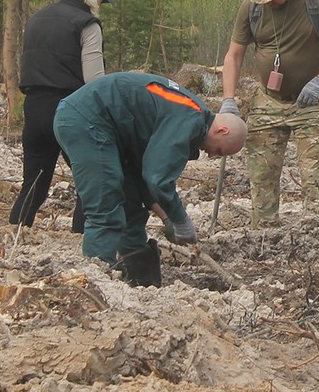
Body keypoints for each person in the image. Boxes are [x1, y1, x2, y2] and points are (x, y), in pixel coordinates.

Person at [52, 72, 246, 287]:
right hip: (87, 121)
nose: (213, 155)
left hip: (100, 125)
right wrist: (180, 219)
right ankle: (94, 282)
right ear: (222, 130)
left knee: (131, 203)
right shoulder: (188, 119)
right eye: (219, 150)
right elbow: (157, 178)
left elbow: (143, 175)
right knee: (105, 204)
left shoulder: (189, 113)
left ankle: (141, 279)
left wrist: (166, 219)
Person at [222, 0, 319, 227]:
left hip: (310, 105)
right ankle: (265, 233)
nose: (266, 0)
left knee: (313, 177)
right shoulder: (251, 8)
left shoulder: (314, 2)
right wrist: (228, 101)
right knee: (262, 175)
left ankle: (318, 236)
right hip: (268, 102)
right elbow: (234, 56)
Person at [11, 0, 111, 229]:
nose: (100, 4)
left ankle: (15, 236)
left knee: (33, 186)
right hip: (70, 111)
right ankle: (82, 241)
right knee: (89, 183)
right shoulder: (87, 23)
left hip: (33, 109)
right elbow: (94, 81)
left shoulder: (36, 19)